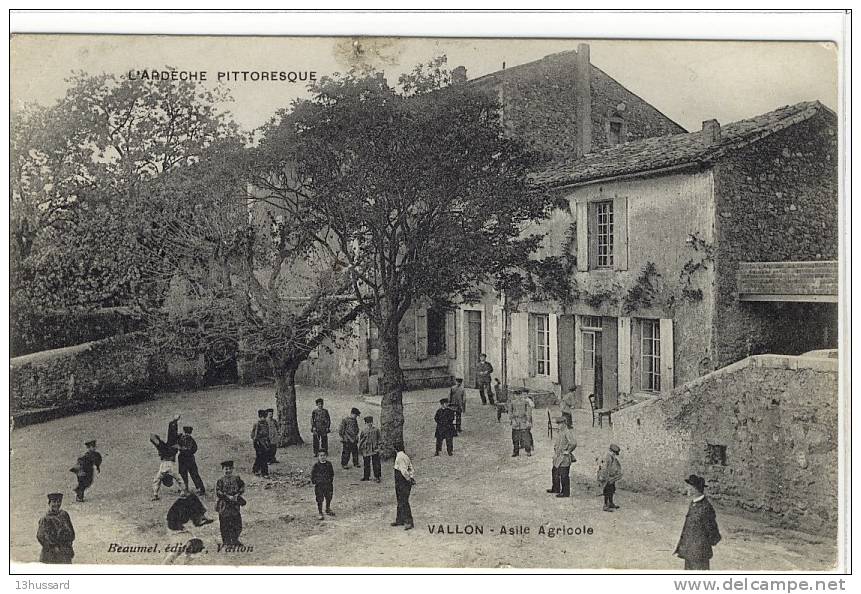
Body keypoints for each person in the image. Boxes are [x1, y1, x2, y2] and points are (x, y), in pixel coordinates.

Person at [674, 474, 722, 570]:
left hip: (699, 554)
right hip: (689, 551)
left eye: (689, 486)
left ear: (694, 489)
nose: (687, 489)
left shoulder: (706, 507)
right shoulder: (694, 504)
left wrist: (705, 544)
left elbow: (712, 531)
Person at [37, 493, 75, 564]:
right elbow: (41, 536)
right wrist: (53, 547)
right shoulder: (45, 519)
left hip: (65, 551)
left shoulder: (64, 514)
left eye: (59, 501)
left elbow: (71, 532)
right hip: (51, 554)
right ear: (49, 503)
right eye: (54, 502)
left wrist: (68, 543)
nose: (57, 504)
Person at [215, 461, 246, 546]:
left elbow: (242, 486)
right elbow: (218, 492)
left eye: (229, 469)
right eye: (226, 469)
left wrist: (237, 494)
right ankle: (227, 542)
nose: (228, 471)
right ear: (223, 470)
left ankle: (235, 540)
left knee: (237, 524)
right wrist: (227, 496)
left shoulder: (236, 479)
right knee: (225, 524)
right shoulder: (220, 481)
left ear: (232, 469)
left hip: (234, 506)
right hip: (225, 505)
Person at [150, 432, 185, 501]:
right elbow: (180, 480)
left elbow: (180, 480)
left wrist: (155, 494)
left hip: (167, 460)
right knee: (161, 445)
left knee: (165, 445)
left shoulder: (165, 473)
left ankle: (176, 435)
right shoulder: (166, 473)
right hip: (168, 460)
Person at [547, 416, 577, 497]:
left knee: (564, 475)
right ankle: (556, 488)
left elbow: (573, 443)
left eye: (560, 424)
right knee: (555, 472)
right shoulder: (560, 431)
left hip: (564, 458)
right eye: (558, 424)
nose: (558, 426)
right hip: (558, 456)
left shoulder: (567, 432)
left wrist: (568, 451)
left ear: (564, 424)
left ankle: (565, 492)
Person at [392, 447, 415, 530]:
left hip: (403, 481)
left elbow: (404, 471)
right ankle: (400, 519)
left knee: (404, 501)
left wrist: (409, 479)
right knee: (400, 500)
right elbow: (410, 468)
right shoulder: (404, 456)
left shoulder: (400, 457)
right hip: (401, 481)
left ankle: (409, 522)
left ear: (395, 449)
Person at [177, 426, 205, 495]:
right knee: (183, 474)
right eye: (186, 432)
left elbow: (194, 449)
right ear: (183, 431)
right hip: (182, 459)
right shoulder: (180, 437)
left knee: (194, 474)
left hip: (189, 459)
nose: (187, 434)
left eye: (189, 433)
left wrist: (186, 451)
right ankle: (185, 488)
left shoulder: (191, 440)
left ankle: (201, 489)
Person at [597, 443, 623, 511]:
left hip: (611, 477)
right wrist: (603, 477)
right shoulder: (607, 457)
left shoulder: (611, 457)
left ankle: (611, 503)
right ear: (611, 451)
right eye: (614, 452)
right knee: (607, 491)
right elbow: (604, 468)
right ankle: (605, 505)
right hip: (607, 477)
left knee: (612, 489)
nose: (615, 454)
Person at [509, 389, 534, 457]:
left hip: (523, 421)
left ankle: (528, 451)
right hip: (515, 422)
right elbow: (510, 412)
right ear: (514, 396)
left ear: (521, 395)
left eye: (519, 395)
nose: (518, 397)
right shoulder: (512, 403)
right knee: (515, 438)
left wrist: (528, 421)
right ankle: (516, 451)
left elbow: (529, 412)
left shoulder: (525, 402)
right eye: (516, 395)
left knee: (526, 437)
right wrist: (513, 420)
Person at [310, 451, 335, 520]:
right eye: (320, 455)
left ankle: (328, 508)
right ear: (318, 457)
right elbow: (313, 475)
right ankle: (320, 512)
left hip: (328, 484)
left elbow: (332, 473)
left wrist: (329, 481)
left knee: (329, 497)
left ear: (326, 456)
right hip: (319, 486)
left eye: (324, 455)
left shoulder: (329, 464)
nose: (322, 457)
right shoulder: (316, 465)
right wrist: (316, 482)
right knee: (319, 499)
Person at [358, 415, 382, 482]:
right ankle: (366, 476)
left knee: (376, 463)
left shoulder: (376, 430)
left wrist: (378, 448)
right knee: (366, 463)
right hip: (366, 449)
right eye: (368, 422)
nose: (370, 424)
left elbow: (379, 439)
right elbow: (361, 440)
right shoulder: (363, 431)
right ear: (365, 423)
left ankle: (377, 477)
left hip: (374, 449)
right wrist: (361, 449)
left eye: (371, 422)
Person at [251, 409, 270, 477]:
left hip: (265, 443)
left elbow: (267, 433)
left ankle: (256, 469)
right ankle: (264, 472)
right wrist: (256, 441)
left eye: (264, 417)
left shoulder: (266, 424)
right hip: (258, 443)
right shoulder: (257, 424)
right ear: (259, 417)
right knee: (261, 457)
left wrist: (267, 441)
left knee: (261, 457)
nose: (263, 418)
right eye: (262, 417)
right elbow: (254, 435)